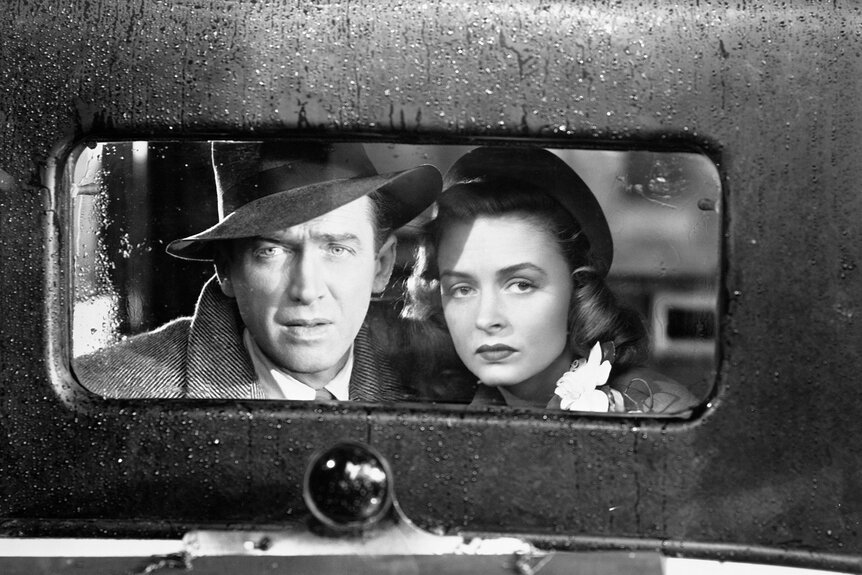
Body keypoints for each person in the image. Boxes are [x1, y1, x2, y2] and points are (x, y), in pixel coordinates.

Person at [76, 141, 442, 401]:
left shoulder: (438, 372)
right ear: (226, 270)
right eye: (272, 251)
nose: (307, 288)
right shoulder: (107, 395)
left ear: (381, 266)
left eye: (337, 249)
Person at [404, 146, 699, 414]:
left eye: (521, 285)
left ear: (577, 290)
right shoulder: (441, 411)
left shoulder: (658, 411)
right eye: (462, 289)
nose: (487, 318)